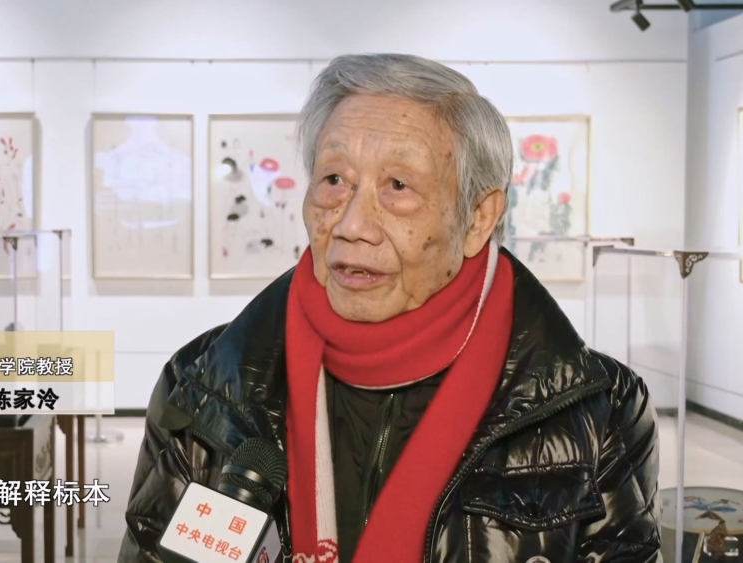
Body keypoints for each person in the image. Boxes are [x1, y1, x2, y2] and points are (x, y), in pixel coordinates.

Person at [119, 53, 660, 562]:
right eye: (334, 180)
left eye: (398, 186)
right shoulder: (204, 384)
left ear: (478, 217)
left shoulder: (599, 409)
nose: (352, 225)